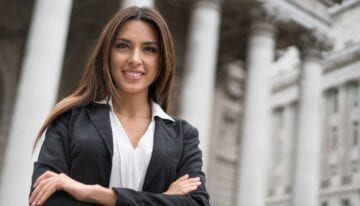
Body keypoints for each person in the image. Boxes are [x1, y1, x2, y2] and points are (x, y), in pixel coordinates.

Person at [29, 6, 210, 206]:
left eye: (149, 49)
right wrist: (165, 200)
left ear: (162, 61)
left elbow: (197, 204)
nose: (135, 59)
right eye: (123, 46)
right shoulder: (69, 120)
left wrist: (97, 194)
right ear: (108, 53)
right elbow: (44, 199)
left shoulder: (183, 136)